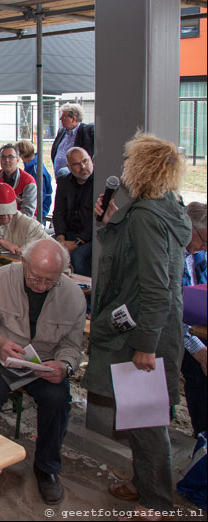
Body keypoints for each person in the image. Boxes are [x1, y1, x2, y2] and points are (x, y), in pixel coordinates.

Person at [83, 133, 190, 518]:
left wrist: (146, 344)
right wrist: (113, 220)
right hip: (153, 327)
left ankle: (157, 501)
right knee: (138, 413)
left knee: (147, 420)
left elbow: (155, 288)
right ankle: (143, 481)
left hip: (146, 333)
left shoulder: (146, 215)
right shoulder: (167, 205)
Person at [0, 239, 86, 504]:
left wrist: (65, 366)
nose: (41, 286)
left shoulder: (73, 295)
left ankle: (47, 468)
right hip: (0, 351)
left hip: (43, 360)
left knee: (58, 398)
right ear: (24, 264)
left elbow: (73, 347)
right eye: (36, 278)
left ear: (62, 274)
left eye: (49, 281)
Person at [181, 201, 207, 439]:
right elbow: (169, 311)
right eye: (204, 240)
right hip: (174, 333)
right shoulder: (172, 257)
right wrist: (196, 347)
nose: (205, 247)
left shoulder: (199, 255)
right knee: (198, 370)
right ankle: (202, 433)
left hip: (196, 325)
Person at [52, 147, 95, 276]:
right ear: (69, 166)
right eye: (76, 164)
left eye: (85, 161)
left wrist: (77, 243)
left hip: (90, 237)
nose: (83, 167)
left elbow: (96, 220)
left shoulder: (98, 182)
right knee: (48, 251)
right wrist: (61, 239)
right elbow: (58, 212)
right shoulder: (64, 182)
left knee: (78, 258)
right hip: (68, 234)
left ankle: (86, 294)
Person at [0, 143, 38, 217]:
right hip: (0, 220)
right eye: (3, 157)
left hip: (22, 222)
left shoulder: (28, 182)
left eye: (11, 157)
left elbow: (27, 212)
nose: (6, 160)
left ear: (17, 159)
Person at [51, 103, 95, 177]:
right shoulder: (61, 132)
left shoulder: (86, 131)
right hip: (59, 177)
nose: (60, 118)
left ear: (73, 119)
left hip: (76, 178)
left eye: (64, 116)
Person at [16, 139, 52, 218]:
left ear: (20, 154)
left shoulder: (36, 170)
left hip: (39, 208)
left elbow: (40, 195)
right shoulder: (31, 166)